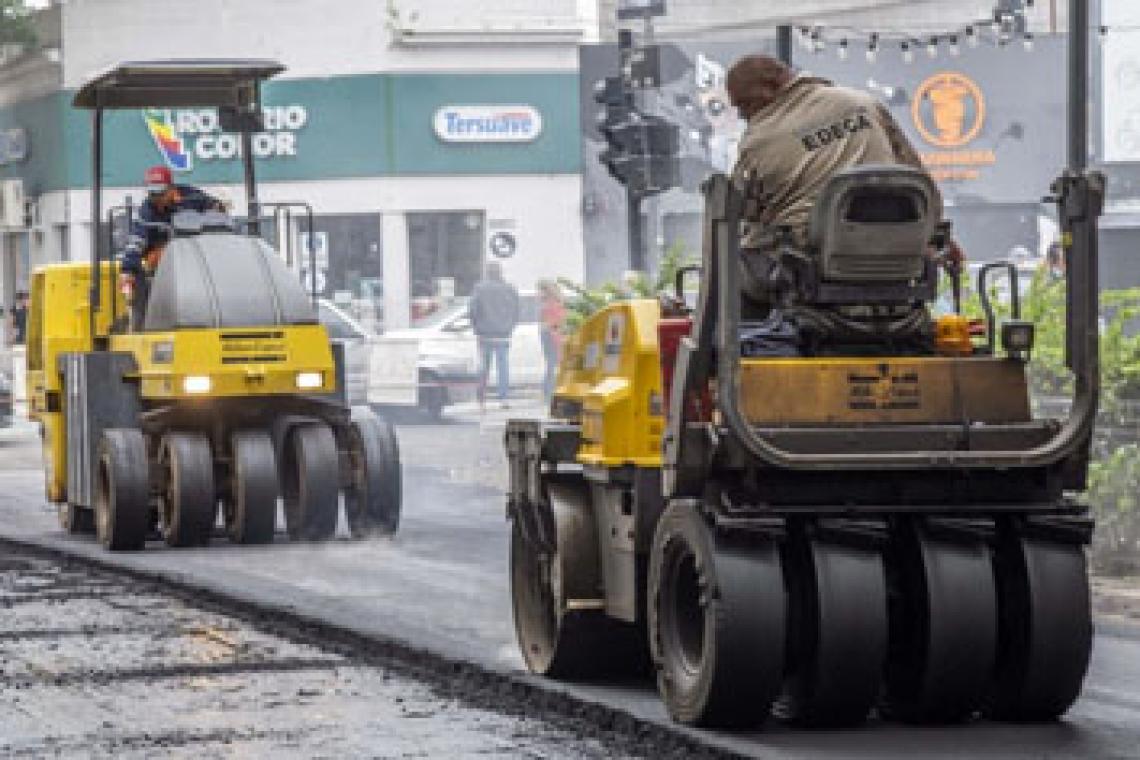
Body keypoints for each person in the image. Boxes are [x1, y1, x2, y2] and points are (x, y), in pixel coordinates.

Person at [726, 54, 936, 352]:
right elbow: (916, 175)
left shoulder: (758, 139)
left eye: (744, 105)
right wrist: (932, 234)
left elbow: (744, 210)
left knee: (734, 264)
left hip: (809, 266)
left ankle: (748, 359)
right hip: (897, 260)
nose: (743, 116)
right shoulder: (863, 104)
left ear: (770, 88)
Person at [121, 165, 225, 326]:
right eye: (152, 193)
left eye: (160, 193)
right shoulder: (146, 211)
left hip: (197, 255)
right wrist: (128, 269)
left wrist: (218, 208)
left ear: (171, 188)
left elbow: (217, 210)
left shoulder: (192, 197)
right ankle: (147, 320)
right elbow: (137, 240)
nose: (156, 198)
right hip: (165, 262)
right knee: (150, 266)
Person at [468, 260, 519, 408]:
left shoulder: (479, 289)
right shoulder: (510, 289)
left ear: (487, 273)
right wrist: (510, 326)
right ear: (501, 272)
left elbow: (473, 310)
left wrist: (476, 327)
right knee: (503, 367)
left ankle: (481, 399)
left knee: (484, 367)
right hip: (503, 334)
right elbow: (517, 310)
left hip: (485, 334)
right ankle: (504, 398)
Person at [537, 281, 566, 402]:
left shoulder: (550, 305)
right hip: (553, 336)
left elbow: (551, 323)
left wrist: (547, 328)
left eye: (540, 291)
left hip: (551, 337)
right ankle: (549, 392)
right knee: (553, 365)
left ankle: (548, 392)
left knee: (551, 365)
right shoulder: (556, 304)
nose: (537, 293)